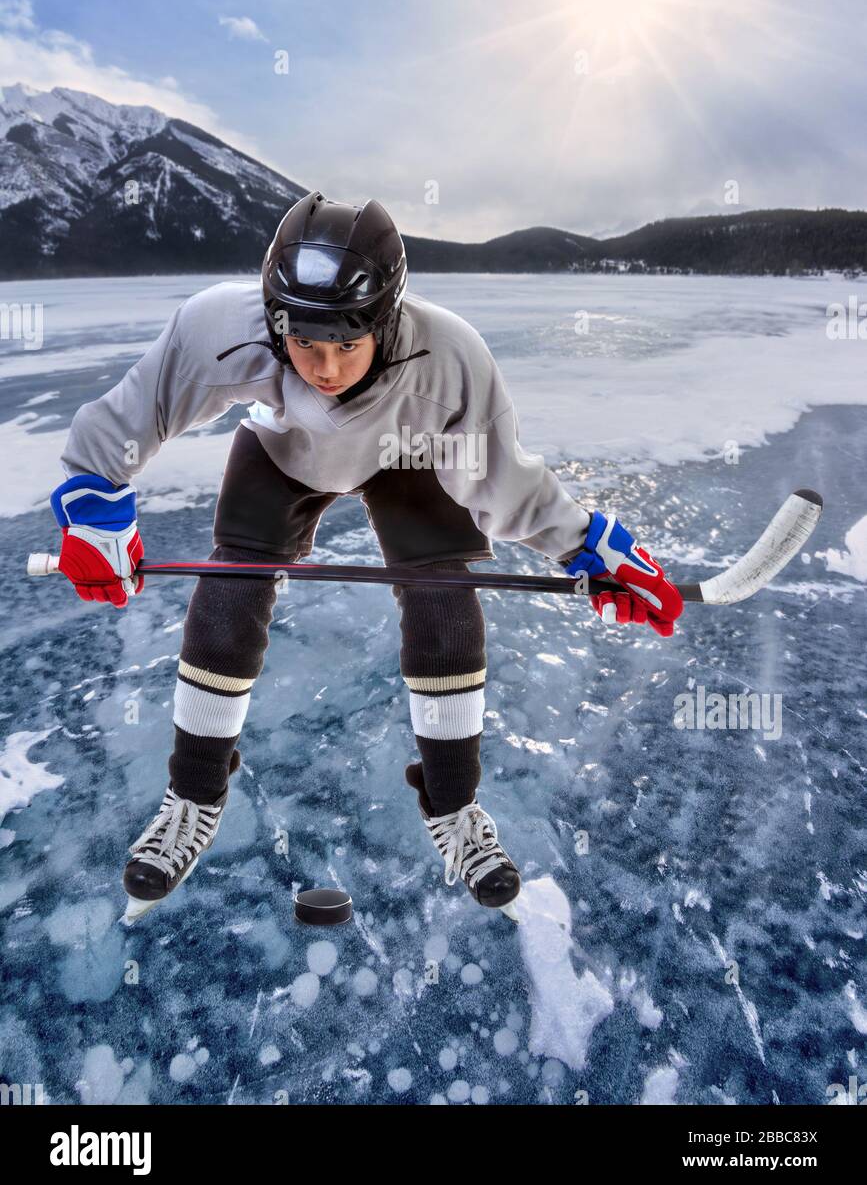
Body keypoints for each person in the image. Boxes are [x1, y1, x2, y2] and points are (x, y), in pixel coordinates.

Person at [49, 191, 683, 921]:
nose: (324, 368)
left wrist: (587, 546)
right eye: (304, 345)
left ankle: (453, 809)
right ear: (271, 318)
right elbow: (126, 421)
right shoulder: (220, 328)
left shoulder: (448, 357)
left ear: (385, 321)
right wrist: (93, 503)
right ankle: (193, 796)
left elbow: (503, 479)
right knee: (228, 596)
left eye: (347, 345)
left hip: (406, 457)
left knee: (445, 605)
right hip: (285, 453)